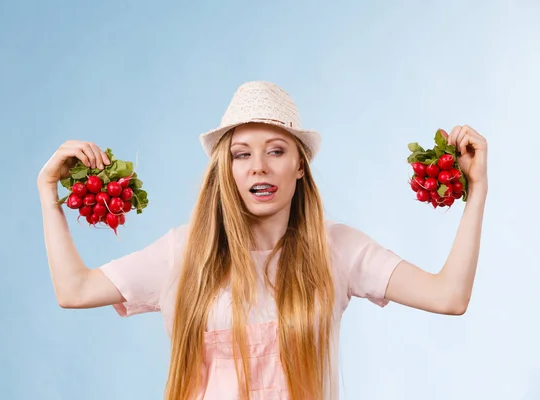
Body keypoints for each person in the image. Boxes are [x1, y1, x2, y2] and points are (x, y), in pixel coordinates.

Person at [37, 81, 488, 400]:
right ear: (226, 170)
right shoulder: (183, 251)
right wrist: (48, 191)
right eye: (241, 153)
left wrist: (477, 191)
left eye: (276, 150)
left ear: (298, 167)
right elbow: (74, 290)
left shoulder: (340, 249)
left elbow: (448, 296)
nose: (258, 166)